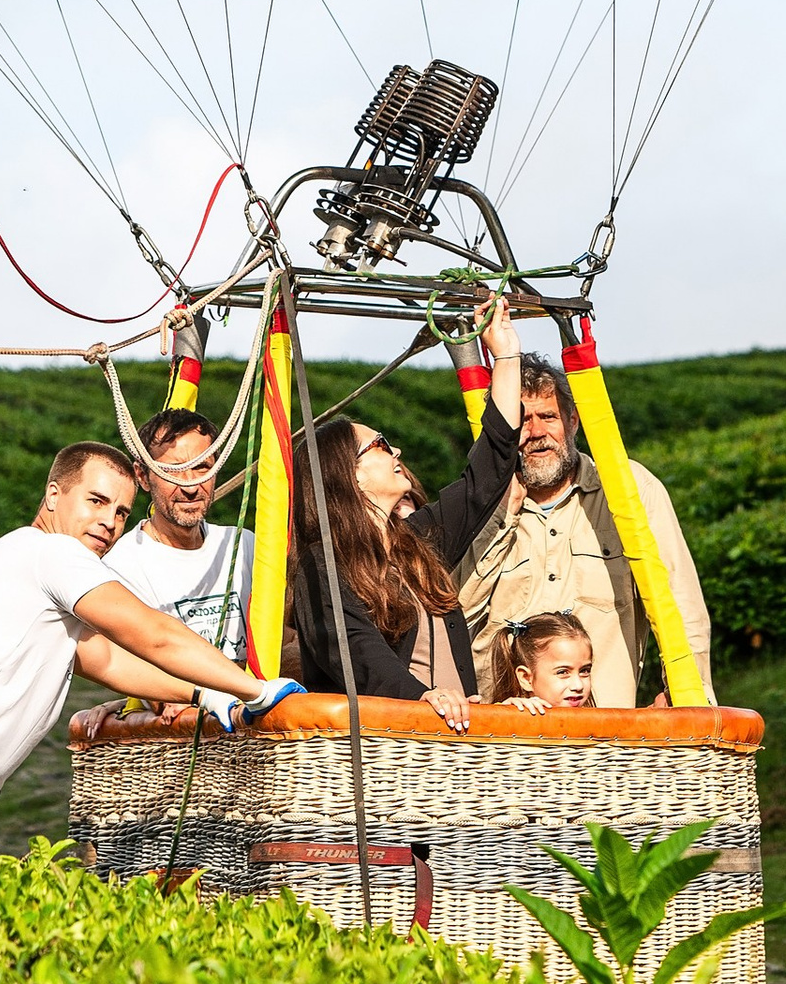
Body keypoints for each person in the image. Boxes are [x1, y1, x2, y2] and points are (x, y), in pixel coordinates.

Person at [0, 439, 298, 853]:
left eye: (120, 513)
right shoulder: (54, 553)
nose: (109, 522)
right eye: (95, 501)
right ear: (53, 494)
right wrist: (251, 690)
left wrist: (204, 694)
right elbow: (152, 633)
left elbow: (107, 659)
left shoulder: (17, 550)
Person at [455, 307, 714, 707]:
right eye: (521, 421)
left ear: (573, 421)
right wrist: (501, 517)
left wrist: (686, 696)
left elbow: (681, 603)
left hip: (603, 729)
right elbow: (454, 613)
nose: (536, 433)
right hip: (503, 729)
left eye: (548, 417)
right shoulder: (478, 497)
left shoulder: (629, 489)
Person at [285, 405, 513, 734]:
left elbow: (487, 475)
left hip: (454, 741)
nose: (397, 451)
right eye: (380, 444)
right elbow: (357, 650)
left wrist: (507, 357)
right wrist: (421, 697)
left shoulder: (416, 541)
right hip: (388, 746)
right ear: (351, 475)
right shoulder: (320, 565)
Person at [98, 407, 255, 664]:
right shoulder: (121, 568)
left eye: (202, 467)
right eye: (173, 470)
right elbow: (149, 678)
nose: (191, 485)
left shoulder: (244, 545)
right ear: (143, 477)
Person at [486, 608, 596, 709]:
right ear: (526, 678)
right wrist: (504, 714)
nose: (578, 685)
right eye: (562, 672)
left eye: (584, 671)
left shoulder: (597, 723)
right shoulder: (509, 721)